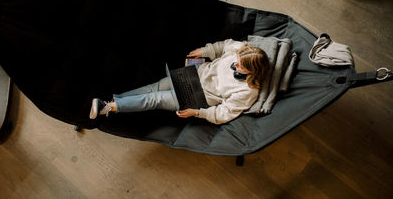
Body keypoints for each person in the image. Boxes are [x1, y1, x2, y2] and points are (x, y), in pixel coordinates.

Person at [89, 39, 269, 124]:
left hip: (200, 97)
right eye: (236, 60)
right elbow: (223, 46)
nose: (235, 64)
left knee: (156, 99)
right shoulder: (241, 49)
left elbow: (224, 113)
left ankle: (107, 107)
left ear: (253, 71)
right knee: (155, 87)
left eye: (241, 67)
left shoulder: (248, 91)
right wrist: (205, 51)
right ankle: (112, 104)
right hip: (195, 74)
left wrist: (198, 113)